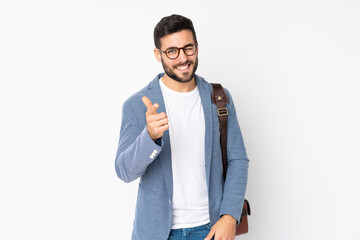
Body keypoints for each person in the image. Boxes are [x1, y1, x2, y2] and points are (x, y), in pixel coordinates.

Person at [115, 14, 249, 240]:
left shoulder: (219, 99)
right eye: (172, 51)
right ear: (158, 55)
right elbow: (124, 171)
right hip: (157, 232)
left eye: (188, 48)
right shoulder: (137, 105)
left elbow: (238, 160)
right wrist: (149, 137)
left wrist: (229, 216)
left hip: (211, 229)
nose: (182, 58)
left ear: (197, 48)